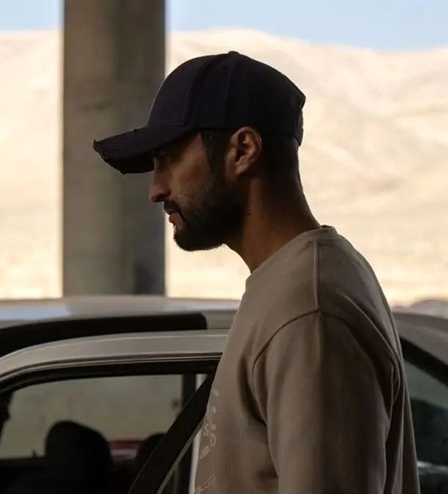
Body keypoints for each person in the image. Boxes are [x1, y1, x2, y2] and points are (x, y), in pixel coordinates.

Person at [92, 51, 419, 493]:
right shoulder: (294, 284)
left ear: (243, 150)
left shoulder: (309, 310)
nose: (156, 190)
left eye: (168, 159)